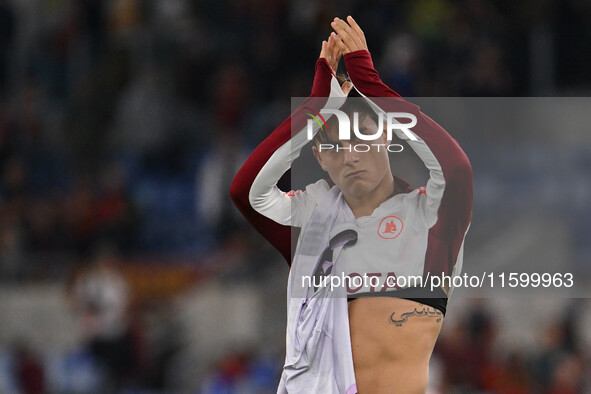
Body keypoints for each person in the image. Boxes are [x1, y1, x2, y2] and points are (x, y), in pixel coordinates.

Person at [230, 16, 472, 394]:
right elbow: (247, 192)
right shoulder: (313, 217)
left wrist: (371, 87)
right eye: (335, 146)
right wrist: (316, 109)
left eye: (361, 138)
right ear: (320, 158)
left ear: (388, 134)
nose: (350, 156)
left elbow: (455, 169)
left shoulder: (428, 217)